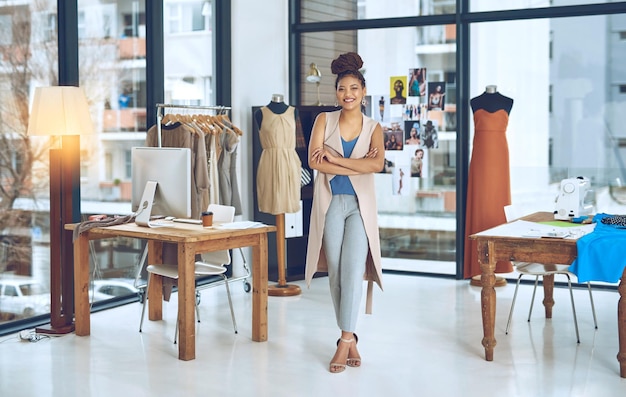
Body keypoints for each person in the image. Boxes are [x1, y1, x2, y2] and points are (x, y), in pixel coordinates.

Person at [305, 52, 384, 374]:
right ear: (336, 92)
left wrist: (335, 159)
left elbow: (377, 165)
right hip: (330, 205)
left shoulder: (374, 126)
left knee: (353, 271)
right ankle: (350, 338)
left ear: (363, 91)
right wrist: (356, 163)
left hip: (360, 209)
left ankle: (344, 338)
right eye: (342, 89)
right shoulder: (324, 120)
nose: (347, 94)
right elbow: (313, 161)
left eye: (354, 88)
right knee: (336, 272)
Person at [464, 85, 514, 281]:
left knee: (498, 206)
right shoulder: (474, 101)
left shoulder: (508, 101)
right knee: (479, 204)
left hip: (499, 155)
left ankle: (499, 263)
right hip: (480, 156)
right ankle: (478, 265)